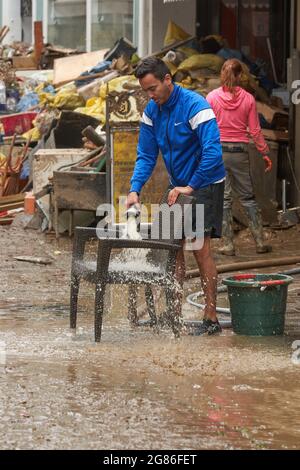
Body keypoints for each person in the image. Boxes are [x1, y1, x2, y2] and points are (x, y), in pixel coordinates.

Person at [126, 57, 226, 336]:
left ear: (168, 79)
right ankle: (175, 311)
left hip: (204, 182)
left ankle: (211, 314)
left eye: (153, 88)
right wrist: (135, 189)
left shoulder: (196, 106)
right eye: (145, 90)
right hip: (177, 185)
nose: (150, 95)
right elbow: (146, 154)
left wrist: (190, 186)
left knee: (199, 248)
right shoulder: (152, 111)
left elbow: (213, 154)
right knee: (173, 249)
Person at [207, 59, 273, 256]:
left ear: (222, 75)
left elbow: (207, 128)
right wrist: (264, 152)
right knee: (248, 197)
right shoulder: (248, 99)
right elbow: (254, 129)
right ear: (239, 76)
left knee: (225, 199)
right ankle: (260, 242)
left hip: (219, 152)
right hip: (240, 153)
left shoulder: (211, 98)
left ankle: (228, 245)